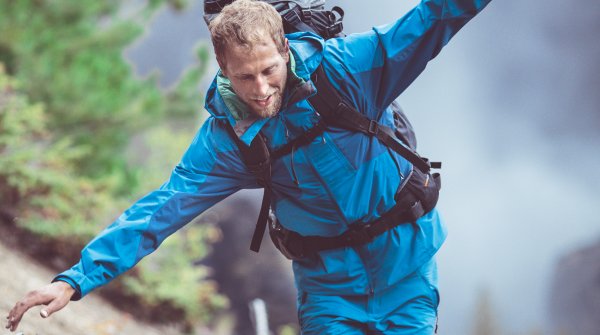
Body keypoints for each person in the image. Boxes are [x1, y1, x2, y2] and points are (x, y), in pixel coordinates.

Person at [6, 0, 492, 333]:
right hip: (328, 289)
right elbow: (160, 211)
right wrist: (74, 279)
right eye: (243, 77)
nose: (259, 90)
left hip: (405, 270)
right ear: (221, 70)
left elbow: (435, 17)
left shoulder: (349, 72)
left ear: (285, 50)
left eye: (268, 71)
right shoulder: (227, 140)